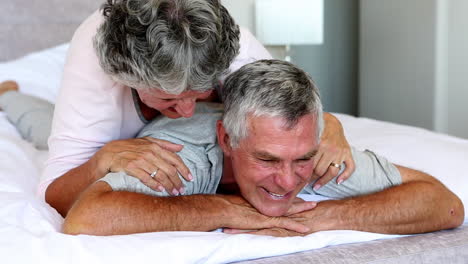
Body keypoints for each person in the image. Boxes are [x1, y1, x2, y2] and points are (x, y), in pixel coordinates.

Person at [62, 60, 464, 236]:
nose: (288, 181)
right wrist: (225, 209)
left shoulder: (318, 152)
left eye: (300, 159)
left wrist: (316, 218)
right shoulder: (182, 156)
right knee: (33, 121)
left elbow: (445, 205)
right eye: (267, 159)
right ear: (227, 141)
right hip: (140, 131)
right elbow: (86, 216)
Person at [34, 0, 355, 218]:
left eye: (200, 94)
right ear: (125, 78)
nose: (187, 111)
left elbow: (292, 118)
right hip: (84, 117)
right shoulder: (94, 63)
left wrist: (329, 123)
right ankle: (9, 94)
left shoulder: (233, 48)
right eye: (168, 100)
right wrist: (100, 161)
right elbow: (54, 196)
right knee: (36, 123)